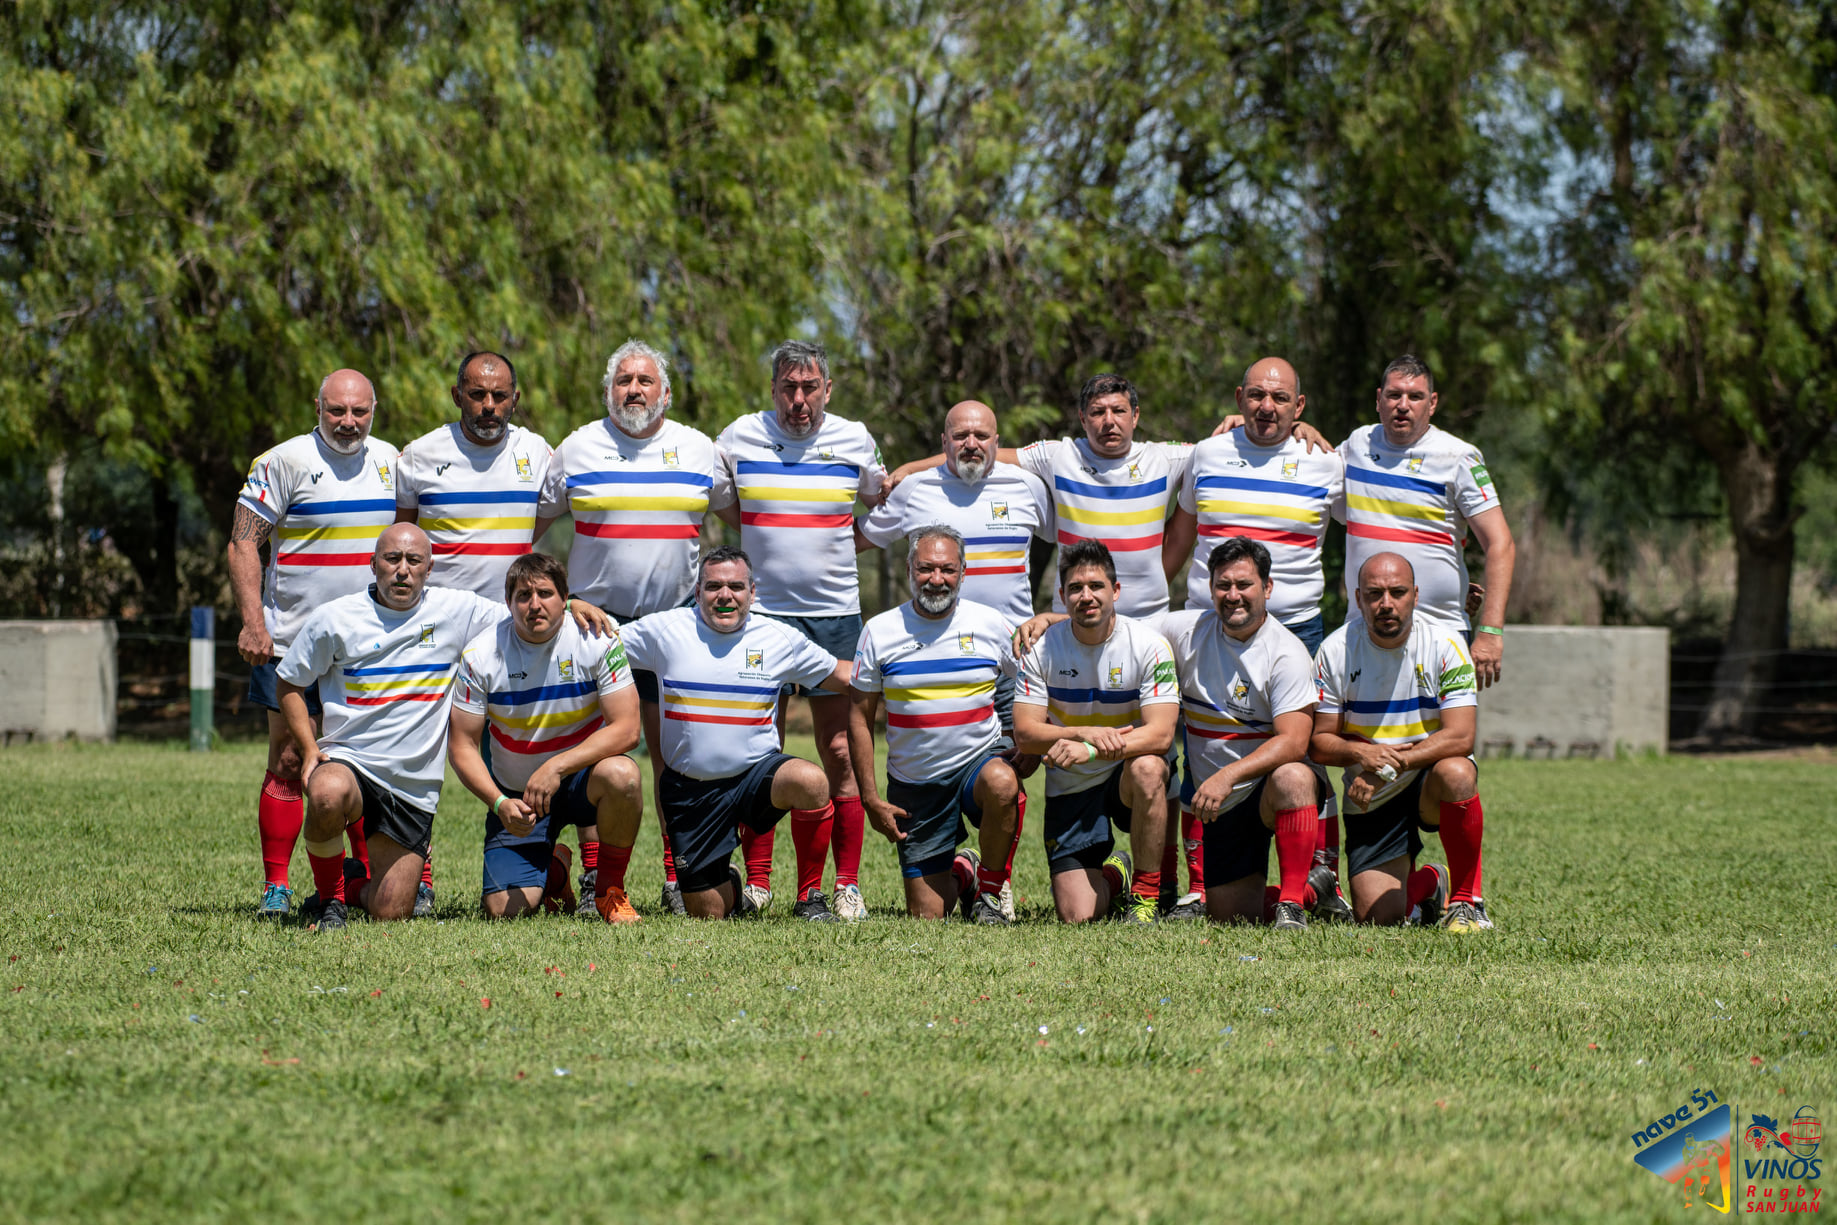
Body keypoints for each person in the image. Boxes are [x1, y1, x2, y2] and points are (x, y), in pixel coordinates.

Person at [274, 524, 615, 930]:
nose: (403, 570)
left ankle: (349, 882)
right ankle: (330, 901)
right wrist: (310, 749)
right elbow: (289, 682)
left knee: (390, 910)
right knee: (327, 792)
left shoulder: (456, 610)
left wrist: (571, 602)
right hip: (351, 761)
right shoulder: (335, 618)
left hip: (410, 786)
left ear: (429, 568)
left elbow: (527, 610)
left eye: (413, 560)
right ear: (373, 565)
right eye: (392, 559)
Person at [538, 339, 736, 916]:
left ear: (665, 393)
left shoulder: (699, 449)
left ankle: (678, 876)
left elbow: (744, 519)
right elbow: (528, 526)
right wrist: (561, 597)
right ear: (608, 392)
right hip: (594, 624)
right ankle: (596, 879)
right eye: (623, 380)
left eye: (645, 381)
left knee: (674, 756)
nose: (634, 390)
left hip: (675, 622)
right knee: (591, 750)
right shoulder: (577, 447)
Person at [1161, 356, 1349, 919]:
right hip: (1209, 623)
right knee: (1204, 745)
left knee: (1302, 755)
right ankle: (1201, 886)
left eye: (1281, 398)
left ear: (1300, 406)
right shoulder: (1207, 453)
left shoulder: (1326, 462)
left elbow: (1366, 532)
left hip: (1297, 628)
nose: (1267, 407)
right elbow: (1180, 537)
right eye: (1257, 396)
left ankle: (1318, 877)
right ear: (1240, 397)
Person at [712, 341, 887, 921]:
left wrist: (833, 540)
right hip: (761, 618)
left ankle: (844, 885)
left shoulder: (854, 438)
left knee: (839, 749)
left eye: (810, 387)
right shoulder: (739, 436)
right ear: (773, 390)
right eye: (788, 387)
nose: (799, 399)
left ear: (827, 390)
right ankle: (758, 882)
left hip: (834, 617)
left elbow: (880, 502)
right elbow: (727, 507)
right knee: (762, 749)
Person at [228, 368, 399, 918]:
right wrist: (254, 623)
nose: (348, 422)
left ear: (373, 411)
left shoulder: (393, 462)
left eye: (359, 411)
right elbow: (242, 543)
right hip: (292, 643)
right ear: (317, 408)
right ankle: (276, 886)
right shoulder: (282, 461)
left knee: (365, 765)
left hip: (371, 646)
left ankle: (362, 880)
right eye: (337, 411)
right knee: (288, 758)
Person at [616, 546, 854, 920]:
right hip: (692, 792)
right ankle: (725, 882)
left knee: (810, 781)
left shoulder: (778, 638)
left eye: (736, 587)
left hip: (754, 779)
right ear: (698, 593)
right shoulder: (665, 630)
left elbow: (842, 676)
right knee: (708, 913)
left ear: (752, 593)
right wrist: (576, 608)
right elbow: (598, 645)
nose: (725, 595)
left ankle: (809, 897)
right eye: (714, 586)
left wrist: (906, 671)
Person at [449, 552, 645, 922]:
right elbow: (462, 746)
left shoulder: (598, 638)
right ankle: (556, 871)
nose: (535, 604)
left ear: (565, 599)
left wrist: (556, 767)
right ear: (508, 603)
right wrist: (498, 803)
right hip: (518, 796)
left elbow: (628, 728)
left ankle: (609, 891)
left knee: (624, 776)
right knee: (504, 912)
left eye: (545, 593)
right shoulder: (480, 655)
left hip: (583, 781)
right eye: (523, 596)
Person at [847, 526, 1023, 924]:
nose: (937, 579)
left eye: (947, 569)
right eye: (926, 568)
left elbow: (1033, 678)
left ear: (963, 571)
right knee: (927, 915)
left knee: (1002, 782)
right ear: (909, 569)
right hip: (917, 783)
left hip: (978, 761)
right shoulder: (879, 631)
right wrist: (870, 799)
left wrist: (1025, 742)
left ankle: (990, 894)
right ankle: (966, 873)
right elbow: (858, 717)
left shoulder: (990, 622)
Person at [1309, 552, 1491, 931]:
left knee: (1458, 772)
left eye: (1398, 592)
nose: (1386, 604)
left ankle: (1466, 902)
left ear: (1416, 595)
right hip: (1370, 796)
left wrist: (1390, 767)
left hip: (1426, 779)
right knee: (1377, 918)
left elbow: (1461, 735)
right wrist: (1360, 752)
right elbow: (1319, 742)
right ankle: (1432, 882)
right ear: (1358, 598)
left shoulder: (1446, 643)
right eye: (1374, 594)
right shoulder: (1335, 650)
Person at [1164, 538, 1332, 930]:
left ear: (1267, 588)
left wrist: (1228, 775)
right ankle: (1315, 889)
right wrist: (1055, 621)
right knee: (1233, 918)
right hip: (1222, 807)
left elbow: (1294, 741)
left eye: (1244, 584)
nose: (1233, 595)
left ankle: (1292, 903)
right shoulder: (1186, 630)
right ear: (1210, 589)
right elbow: (1123, 634)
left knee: (1294, 776)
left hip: (1263, 790)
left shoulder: (1286, 652)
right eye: (1223, 585)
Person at [1012, 541, 1179, 924]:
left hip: (1126, 775)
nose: (1086, 596)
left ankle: (1145, 897)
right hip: (1071, 784)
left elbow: (1160, 735)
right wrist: (1083, 734)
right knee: (1076, 915)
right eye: (1075, 588)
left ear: (1115, 591)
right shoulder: (1041, 649)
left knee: (1149, 767)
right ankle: (1116, 876)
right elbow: (1025, 733)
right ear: (1062, 596)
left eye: (1096, 586)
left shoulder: (1150, 645)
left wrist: (1090, 749)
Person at [1339, 354, 1516, 687]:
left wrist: (1491, 631)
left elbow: (1501, 543)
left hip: (1441, 632)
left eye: (1415, 396)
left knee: (1450, 725)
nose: (1403, 405)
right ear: (1378, 399)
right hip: (1365, 633)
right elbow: (1307, 468)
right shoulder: (1357, 446)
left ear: (1432, 403)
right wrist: (1291, 428)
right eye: (1394, 395)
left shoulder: (1459, 456)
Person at [395, 351, 550, 597]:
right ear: (457, 397)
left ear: (515, 400)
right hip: (439, 610)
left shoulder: (537, 451)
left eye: (500, 396)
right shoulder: (420, 454)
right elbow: (399, 536)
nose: (489, 405)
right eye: (477, 394)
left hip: (512, 613)